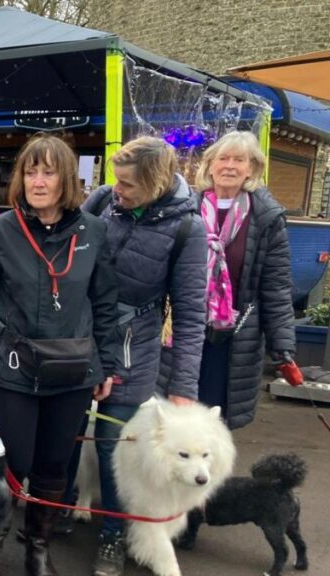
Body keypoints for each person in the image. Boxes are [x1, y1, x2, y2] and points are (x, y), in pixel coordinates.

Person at [0, 134, 122, 576]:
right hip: (12, 371)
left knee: (55, 465)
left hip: (72, 372)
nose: (38, 180)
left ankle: (38, 547)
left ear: (66, 178)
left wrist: (106, 364)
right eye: (30, 171)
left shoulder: (95, 232)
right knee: (12, 463)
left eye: (48, 171)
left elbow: (106, 304)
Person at [80, 137, 208, 576]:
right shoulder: (101, 202)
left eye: (129, 184)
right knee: (67, 432)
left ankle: (114, 536)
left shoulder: (188, 229)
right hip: (78, 339)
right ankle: (55, 511)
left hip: (136, 349)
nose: (119, 189)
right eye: (116, 179)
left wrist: (184, 388)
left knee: (121, 450)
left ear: (154, 183)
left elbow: (191, 314)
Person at [174, 131, 295, 429]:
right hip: (181, 329)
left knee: (213, 420)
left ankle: (209, 476)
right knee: (176, 416)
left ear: (252, 169)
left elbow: (276, 287)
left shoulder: (267, 218)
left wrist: (283, 349)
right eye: (222, 158)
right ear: (210, 165)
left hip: (232, 336)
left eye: (238, 160)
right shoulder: (184, 208)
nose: (229, 166)